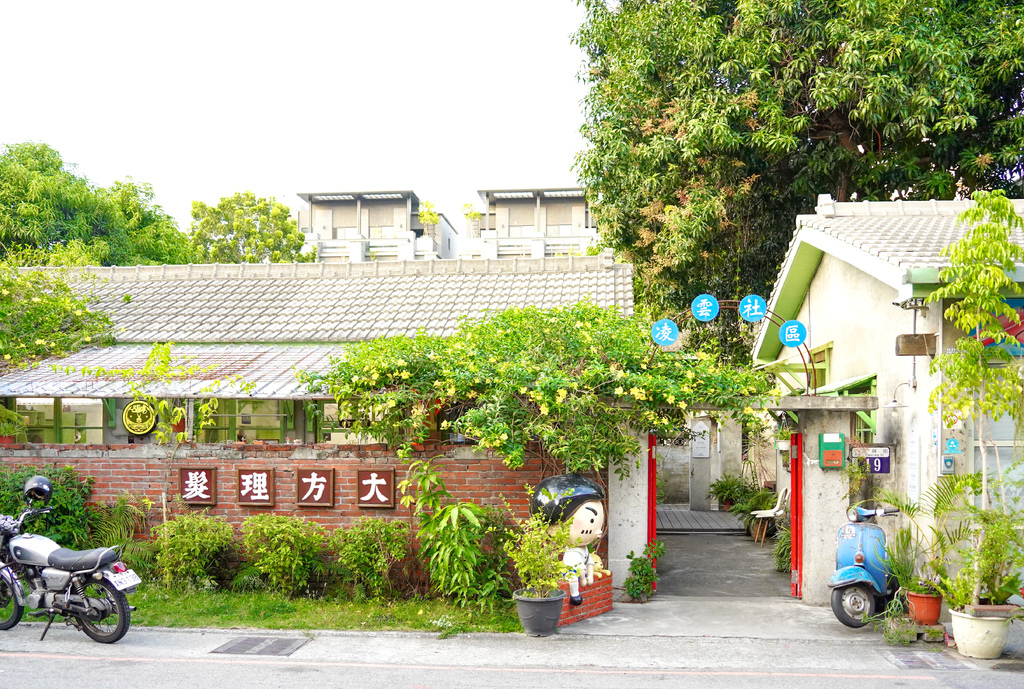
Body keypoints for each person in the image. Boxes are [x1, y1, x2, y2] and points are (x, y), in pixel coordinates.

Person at [530, 473, 607, 606]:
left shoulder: (583, 549)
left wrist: (589, 576)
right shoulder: (572, 554)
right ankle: (575, 594)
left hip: (581, 571)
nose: (598, 530)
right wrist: (584, 578)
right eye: (592, 520)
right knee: (572, 578)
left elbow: (588, 562)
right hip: (573, 573)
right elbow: (578, 568)